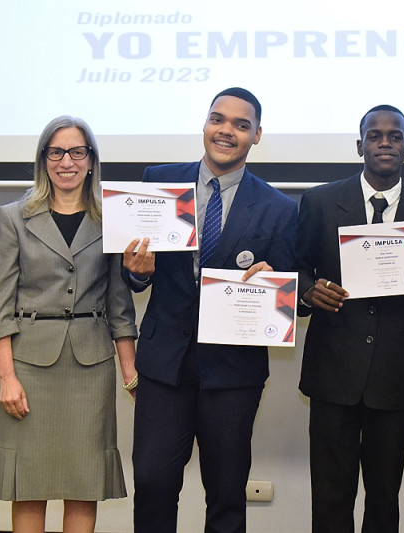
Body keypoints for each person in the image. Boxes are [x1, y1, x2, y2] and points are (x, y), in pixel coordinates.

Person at [122, 87, 297, 533]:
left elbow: (292, 299)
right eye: (218, 119)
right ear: (205, 125)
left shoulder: (279, 209)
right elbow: (135, 274)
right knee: (153, 483)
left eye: (241, 125)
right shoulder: (159, 182)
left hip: (233, 375)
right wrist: (138, 272)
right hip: (165, 367)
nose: (227, 131)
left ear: (257, 135)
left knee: (226, 494)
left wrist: (272, 287)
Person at [0, 116, 138, 533]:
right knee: (29, 484)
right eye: (57, 152)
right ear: (44, 160)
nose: (67, 161)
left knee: (83, 483)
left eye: (77, 152)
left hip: (91, 365)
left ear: (91, 161)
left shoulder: (111, 219)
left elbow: (119, 306)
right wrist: (6, 378)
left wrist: (131, 374)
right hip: (28, 366)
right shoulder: (12, 217)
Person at [296, 104, 404, 532]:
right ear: (359, 145)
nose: (386, 142)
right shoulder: (320, 201)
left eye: (395, 136)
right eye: (376, 135)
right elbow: (296, 268)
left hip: (393, 379)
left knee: (384, 499)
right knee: (330, 497)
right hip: (333, 376)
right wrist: (309, 290)